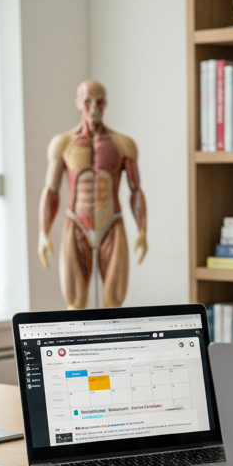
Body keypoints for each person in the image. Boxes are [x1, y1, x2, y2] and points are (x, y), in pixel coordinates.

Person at [38, 80, 147, 309]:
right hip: (76, 222)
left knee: (113, 302)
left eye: (99, 102)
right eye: (88, 101)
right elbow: (51, 191)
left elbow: (136, 190)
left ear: (106, 104)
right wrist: (43, 232)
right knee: (75, 302)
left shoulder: (123, 144)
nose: (94, 108)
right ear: (79, 103)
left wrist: (142, 231)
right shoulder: (63, 143)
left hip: (112, 223)